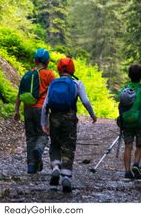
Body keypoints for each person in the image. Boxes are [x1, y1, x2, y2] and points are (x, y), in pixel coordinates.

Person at [41, 57, 97, 193]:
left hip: (54, 117)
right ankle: (66, 176)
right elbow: (85, 101)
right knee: (68, 146)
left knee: (55, 144)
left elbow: (45, 105)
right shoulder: (77, 83)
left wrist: (43, 122)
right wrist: (93, 115)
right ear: (72, 69)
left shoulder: (53, 83)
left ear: (58, 69)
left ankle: (55, 167)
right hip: (69, 118)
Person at [14, 48, 55, 174]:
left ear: (35, 61)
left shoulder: (28, 75)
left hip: (27, 109)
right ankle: (38, 149)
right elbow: (54, 93)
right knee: (43, 134)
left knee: (30, 137)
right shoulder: (49, 75)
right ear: (47, 62)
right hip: (41, 109)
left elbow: (19, 94)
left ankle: (31, 165)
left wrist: (16, 111)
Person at [117, 64, 141, 180]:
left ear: (129, 76)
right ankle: (136, 164)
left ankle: (127, 172)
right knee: (139, 145)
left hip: (126, 123)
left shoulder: (125, 89)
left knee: (128, 146)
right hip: (140, 123)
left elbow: (120, 102)